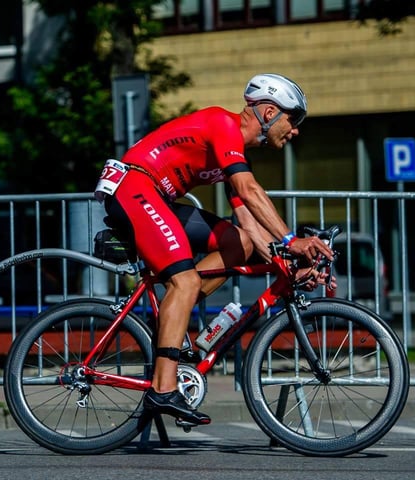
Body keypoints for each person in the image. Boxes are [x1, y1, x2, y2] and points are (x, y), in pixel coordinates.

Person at [94, 73, 334, 425]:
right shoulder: (223, 125)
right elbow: (249, 190)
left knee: (237, 242)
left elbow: (250, 225)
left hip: (154, 197)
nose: (294, 130)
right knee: (186, 280)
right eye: (292, 119)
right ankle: (163, 389)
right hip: (134, 187)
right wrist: (290, 241)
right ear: (269, 112)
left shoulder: (233, 153)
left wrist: (288, 265)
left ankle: (174, 308)